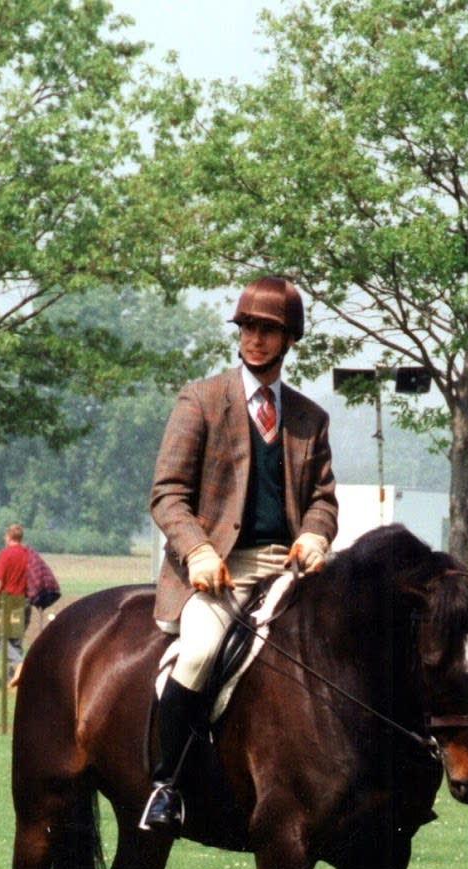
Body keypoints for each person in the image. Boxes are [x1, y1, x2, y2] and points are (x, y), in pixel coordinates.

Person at [140, 276, 338, 832]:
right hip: (215, 573)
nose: (254, 338)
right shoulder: (201, 400)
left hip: (287, 568)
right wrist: (198, 550)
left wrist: (316, 536)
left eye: (268, 329)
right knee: (201, 651)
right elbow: (167, 493)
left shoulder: (308, 418)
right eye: (248, 326)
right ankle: (166, 786)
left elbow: (322, 500)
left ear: (289, 338)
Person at [0, 523, 29, 678]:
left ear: (9, 537)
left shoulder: (6, 554)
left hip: (6, 601)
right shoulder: (27, 554)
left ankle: (19, 665)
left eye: (5, 536)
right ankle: (14, 680)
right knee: (15, 642)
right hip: (23, 601)